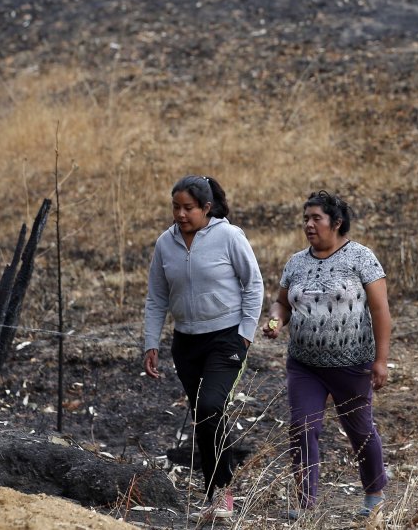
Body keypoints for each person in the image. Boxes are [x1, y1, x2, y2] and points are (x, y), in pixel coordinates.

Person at [262, 190, 392, 519]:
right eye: (305, 219)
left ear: (335, 223)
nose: (308, 224)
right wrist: (276, 321)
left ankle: (374, 496)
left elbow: (380, 310)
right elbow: (282, 302)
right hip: (305, 365)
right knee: (302, 427)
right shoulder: (296, 262)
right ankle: (306, 505)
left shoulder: (361, 258)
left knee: (360, 430)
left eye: (315, 218)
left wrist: (380, 360)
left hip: (352, 365)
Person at [143, 175, 264, 522]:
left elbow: (253, 283)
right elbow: (157, 297)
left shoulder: (228, 236)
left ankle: (223, 493)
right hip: (186, 342)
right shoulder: (165, 243)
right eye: (176, 207)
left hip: (226, 336)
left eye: (188, 208)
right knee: (204, 416)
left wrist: (245, 333)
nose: (181, 214)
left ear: (206, 208)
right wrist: (151, 342)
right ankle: (214, 497)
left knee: (211, 405)